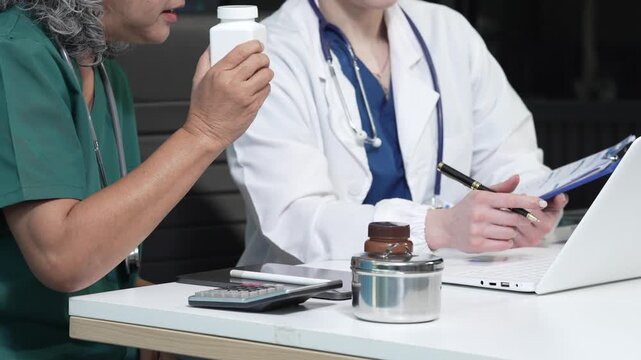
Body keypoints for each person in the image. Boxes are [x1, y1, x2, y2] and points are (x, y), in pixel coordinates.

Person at [0, 0, 272, 358]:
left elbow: (108, 262)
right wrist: (205, 131)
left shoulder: (107, 75)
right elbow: (63, 260)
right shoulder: (13, 54)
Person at [227, 0, 567, 266]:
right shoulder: (268, 54)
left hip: (451, 285)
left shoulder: (447, 32)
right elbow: (296, 219)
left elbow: (510, 158)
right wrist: (440, 227)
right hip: (312, 301)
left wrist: (525, 208)